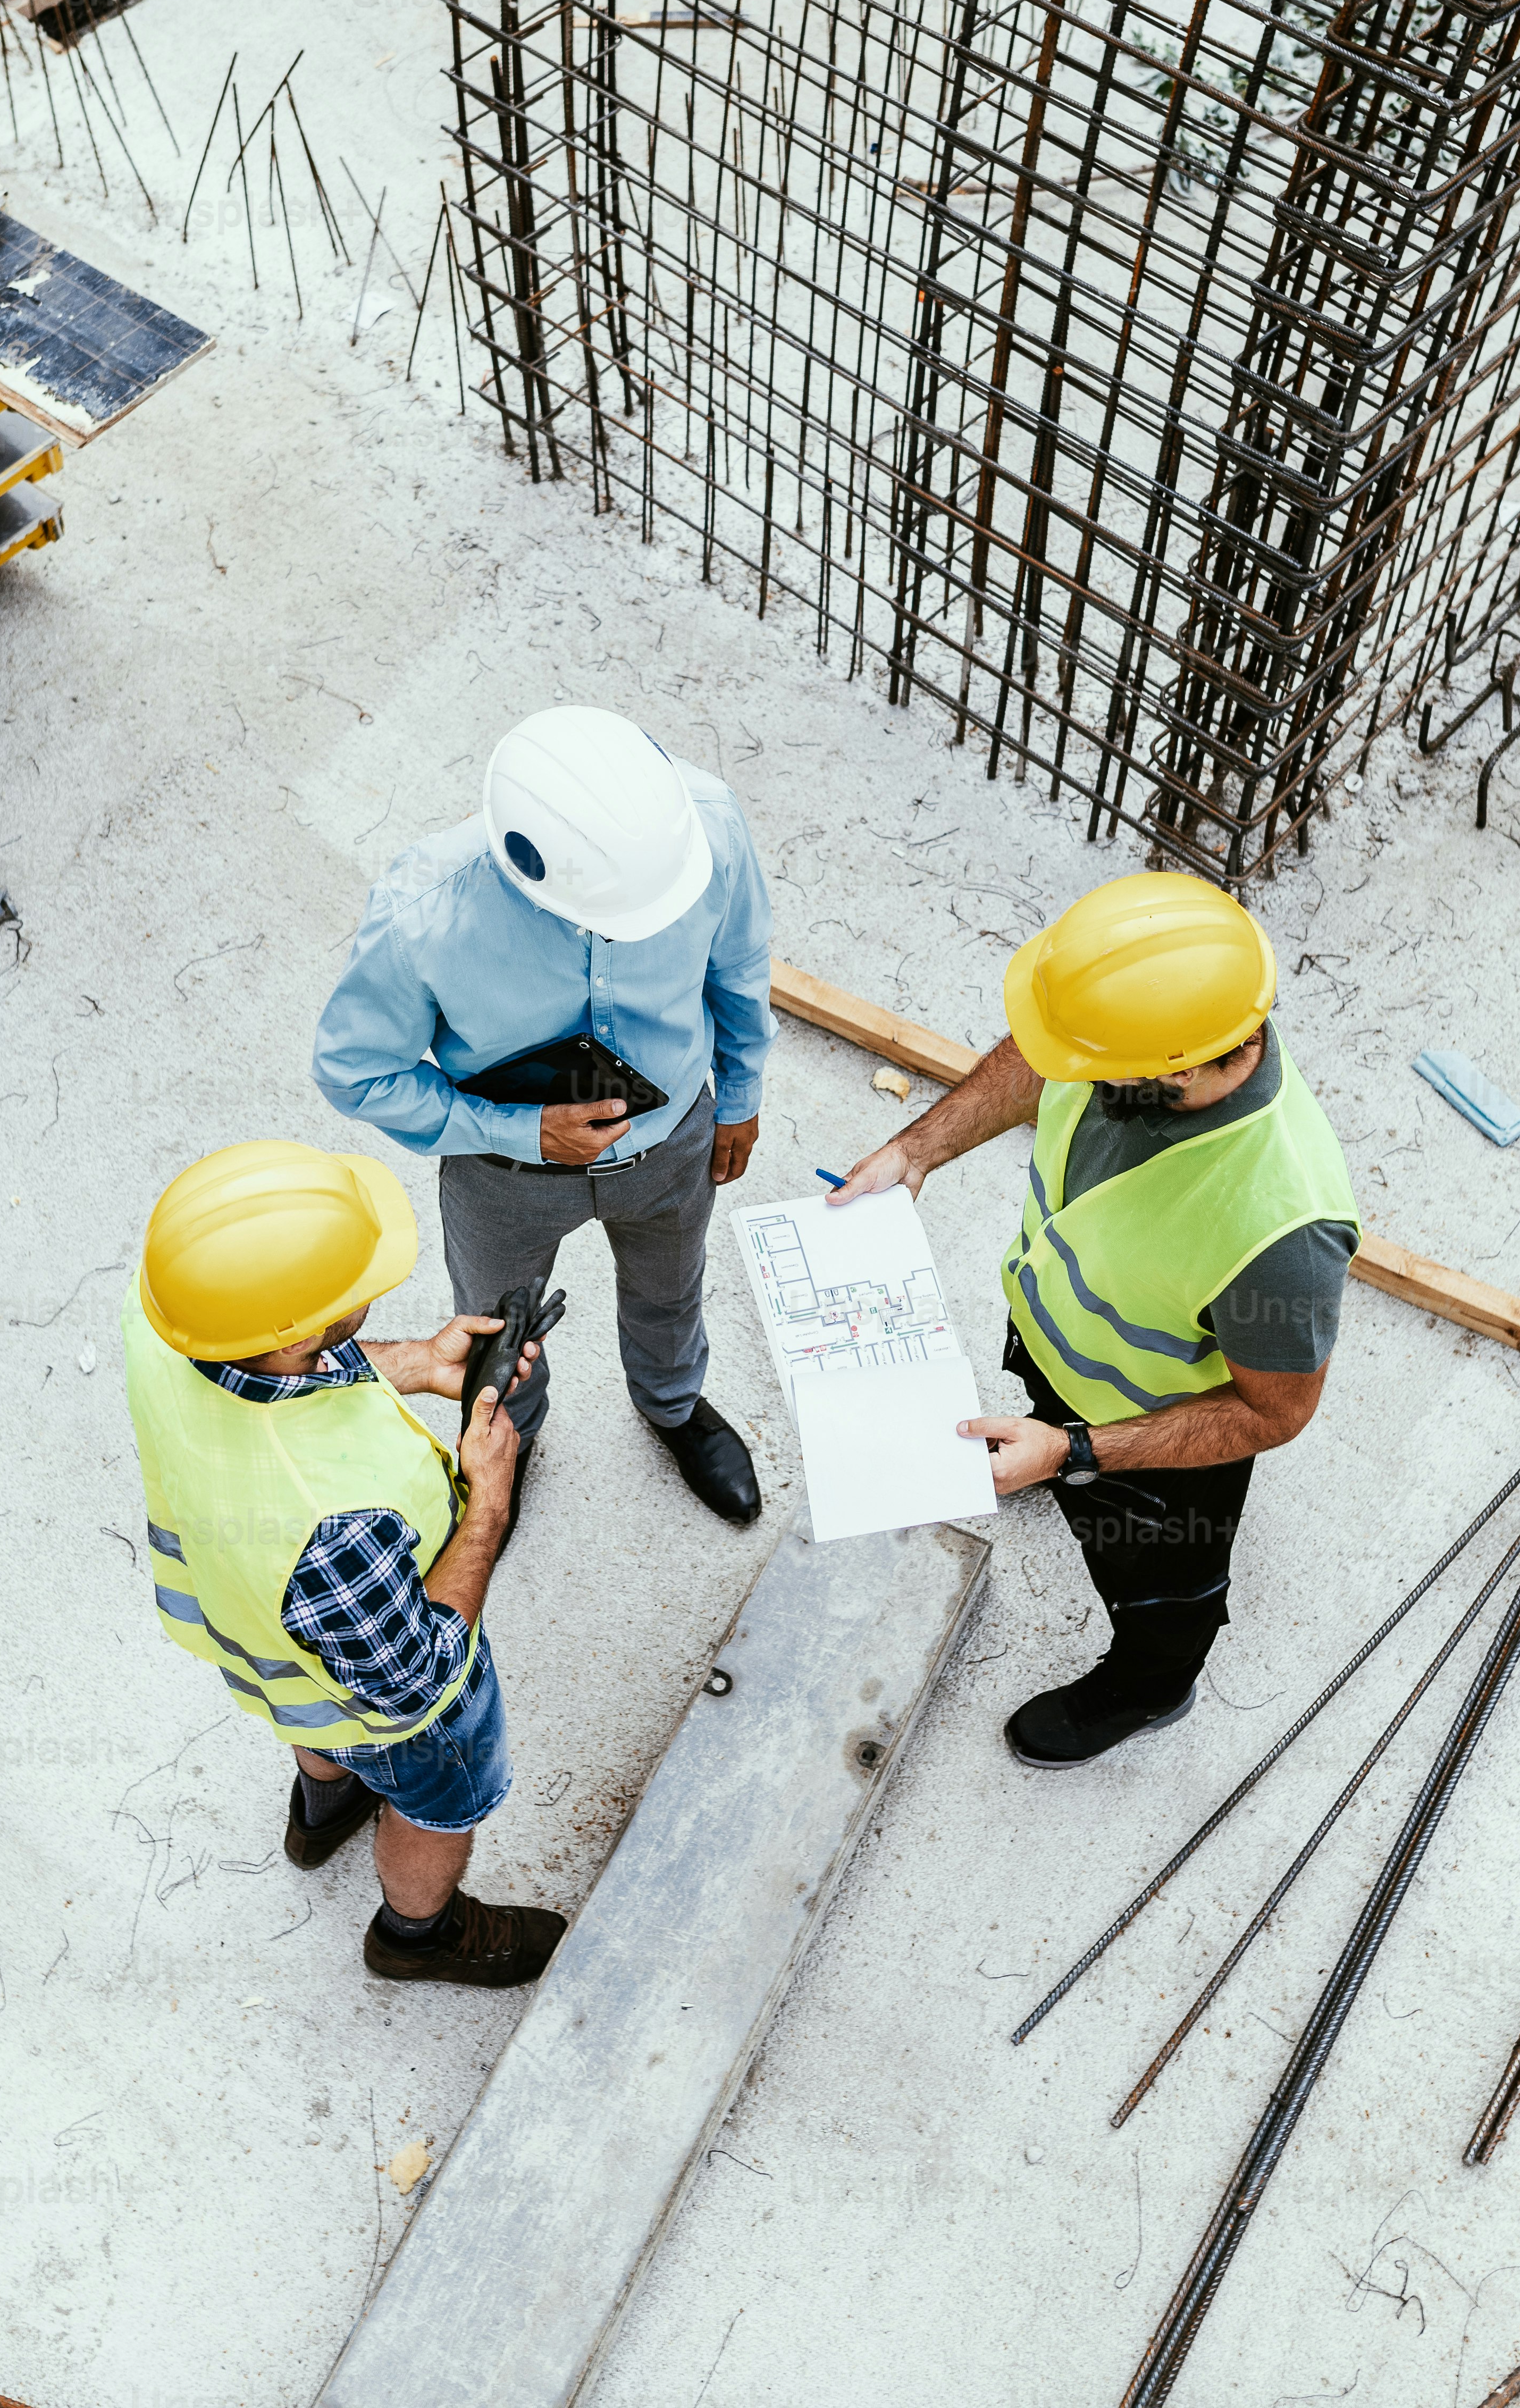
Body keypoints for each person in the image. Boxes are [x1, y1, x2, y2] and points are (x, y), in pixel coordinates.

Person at [825, 872, 1359, 1764]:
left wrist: (1075, 1451)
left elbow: (1277, 1413)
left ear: (1182, 1066)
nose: (1070, 1069)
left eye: (1092, 1061)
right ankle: (1053, 1464)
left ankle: (1151, 1687)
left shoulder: (1282, 1229)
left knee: (1159, 1579)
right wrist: (919, 1148)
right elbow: (1042, 1060)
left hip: (1155, 1447)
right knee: (1049, 1452)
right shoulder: (1139, 1042)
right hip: (1057, 1356)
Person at [312, 705, 774, 1527]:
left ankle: (672, 1406)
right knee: (499, 1328)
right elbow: (355, 1072)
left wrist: (739, 1097)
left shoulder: (706, 830)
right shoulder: (423, 911)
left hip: (672, 1148)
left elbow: (738, 965)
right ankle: (509, 1441)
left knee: (673, 1292)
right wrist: (519, 1132)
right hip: (505, 1181)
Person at [121, 1139, 566, 1984]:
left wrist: (416, 1365)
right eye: (352, 1295)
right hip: (385, 1692)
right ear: (304, 1333)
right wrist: (491, 1502)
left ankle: (323, 1812)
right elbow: (417, 1680)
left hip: (262, 1645)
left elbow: (270, 1377)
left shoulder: (165, 1319)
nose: (370, 1290)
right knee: (437, 1796)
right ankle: (417, 1933)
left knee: (323, 1727)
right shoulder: (335, 1528)